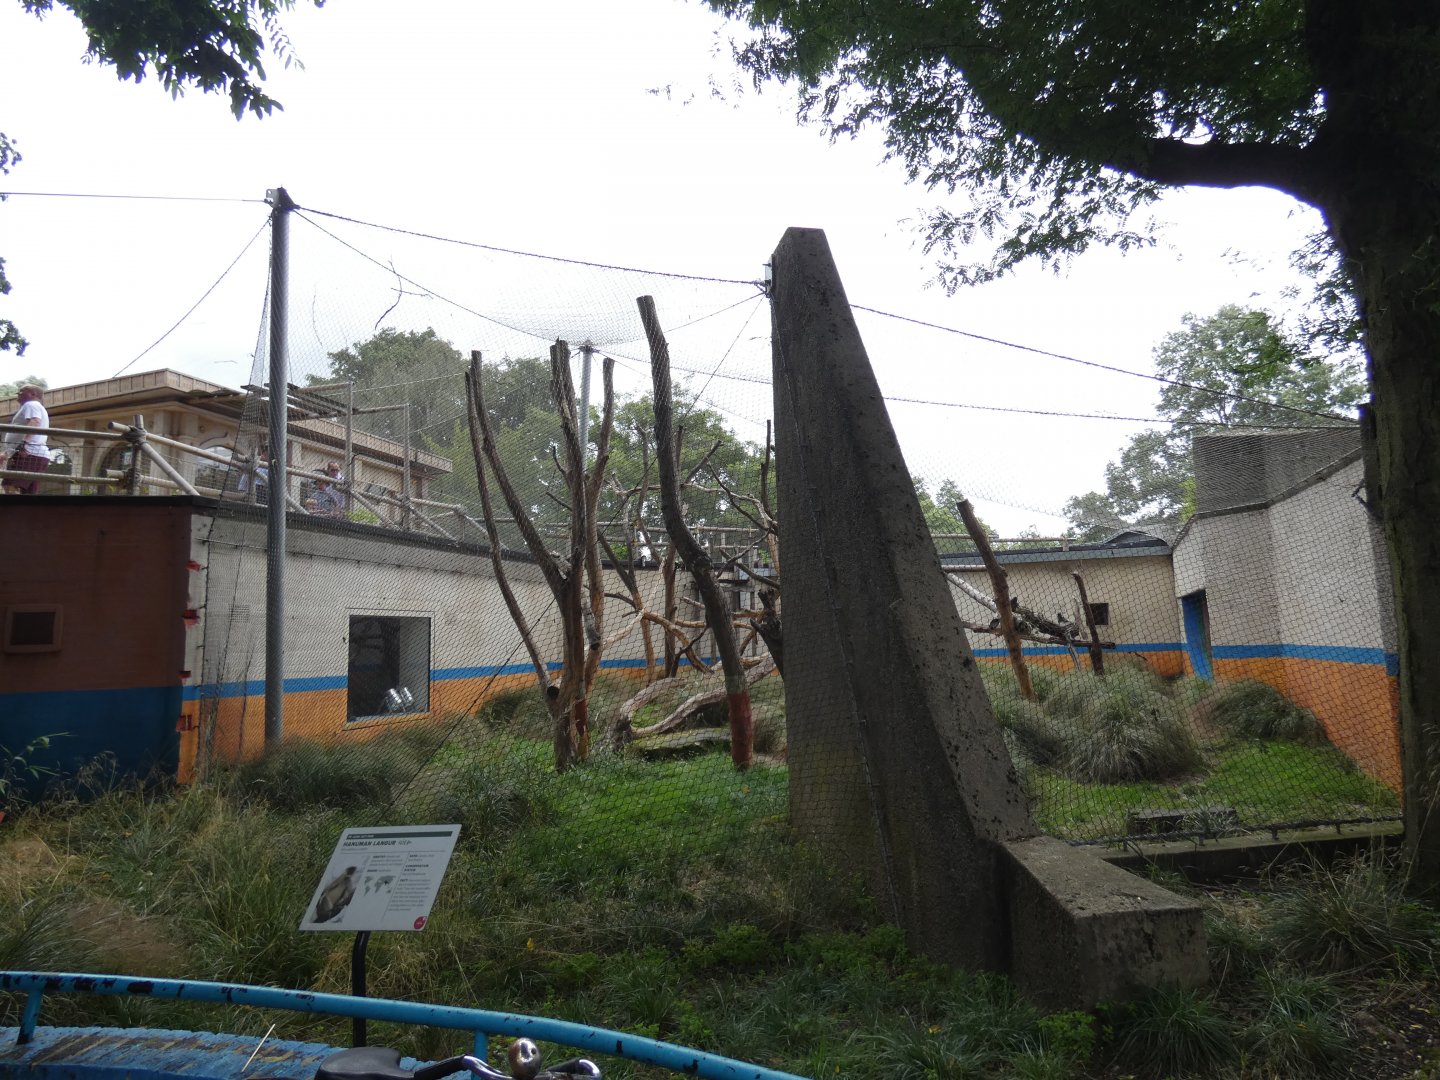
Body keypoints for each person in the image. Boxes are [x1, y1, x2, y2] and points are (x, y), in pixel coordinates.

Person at [3, 384, 52, 495]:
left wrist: (24, 443)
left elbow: (35, 421)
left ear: (33, 394)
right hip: (35, 455)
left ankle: (12, 512)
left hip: (28, 454)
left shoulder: (31, 404)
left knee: (10, 485)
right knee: (28, 494)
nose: (18, 394)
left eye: (21, 391)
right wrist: (7, 453)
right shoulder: (35, 406)